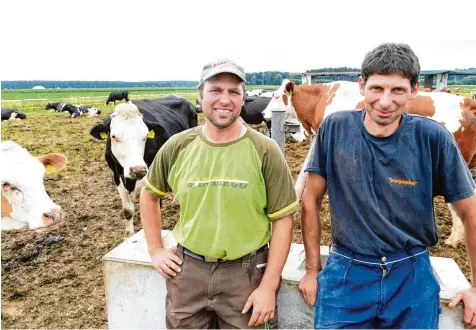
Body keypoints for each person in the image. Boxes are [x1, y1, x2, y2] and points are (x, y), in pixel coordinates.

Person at [298, 43, 476, 329]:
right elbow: (310, 200)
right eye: (377, 88)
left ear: (414, 90)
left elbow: (470, 212)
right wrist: (310, 269)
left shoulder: (432, 137)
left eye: (397, 90)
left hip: (411, 273)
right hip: (347, 270)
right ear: (362, 85)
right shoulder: (334, 128)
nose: (385, 101)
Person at [140, 58, 298, 329]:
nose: (225, 99)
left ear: (243, 98)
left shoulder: (265, 150)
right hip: (187, 271)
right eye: (216, 90)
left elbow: (283, 219)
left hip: (245, 275)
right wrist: (155, 249)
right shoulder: (178, 146)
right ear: (200, 95)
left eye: (234, 92)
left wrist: (268, 286)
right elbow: (149, 193)